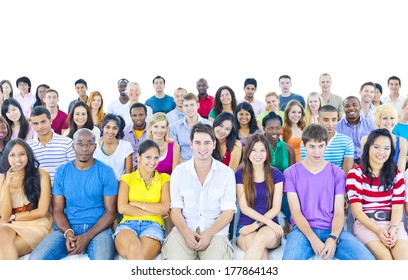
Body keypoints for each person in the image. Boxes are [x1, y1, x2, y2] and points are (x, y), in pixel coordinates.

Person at [282, 123, 375, 260]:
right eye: (312, 147)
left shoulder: (337, 173)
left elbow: (338, 212)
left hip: (332, 229)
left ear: (327, 145)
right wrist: (313, 239)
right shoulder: (291, 173)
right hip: (302, 231)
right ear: (303, 145)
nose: (317, 152)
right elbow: (295, 212)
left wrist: (333, 238)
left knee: (367, 259)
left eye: (321, 146)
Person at [29, 128, 118, 260]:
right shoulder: (62, 172)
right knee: (35, 259)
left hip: (98, 230)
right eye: (80, 143)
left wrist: (87, 237)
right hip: (68, 228)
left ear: (95, 147)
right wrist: (68, 233)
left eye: (89, 144)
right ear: (73, 146)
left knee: (102, 264)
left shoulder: (106, 172)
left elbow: (111, 212)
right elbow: (57, 210)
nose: (84, 148)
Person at [161, 123, 236, 260]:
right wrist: (185, 232)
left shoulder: (227, 173)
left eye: (207, 143)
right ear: (191, 145)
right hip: (183, 231)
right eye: (197, 143)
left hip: (215, 233)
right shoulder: (179, 172)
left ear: (214, 144)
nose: (202, 148)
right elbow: (176, 210)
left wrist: (209, 233)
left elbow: (228, 212)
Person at [346, 128, 408, 260]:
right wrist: (379, 231)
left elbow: (397, 208)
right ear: (368, 147)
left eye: (386, 148)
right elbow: (357, 211)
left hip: (393, 224)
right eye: (376, 147)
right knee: (386, 260)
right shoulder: (355, 174)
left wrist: (393, 229)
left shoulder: (397, 175)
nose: (381, 152)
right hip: (367, 225)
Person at [114, 140, 170, 260]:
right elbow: (122, 208)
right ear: (139, 157)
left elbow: (164, 208)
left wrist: (136, 204)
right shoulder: (127, 178)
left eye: (156, 158)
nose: (152, 162)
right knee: (134, 249)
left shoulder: (164, 179)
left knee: (140, 256)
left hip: (153, 226)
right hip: (128, 225)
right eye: (148, 157)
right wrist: (154, 211)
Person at [0, 139, 53, 259]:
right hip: (11, 225)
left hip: (37, 224)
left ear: (28, 155)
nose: (17, 159)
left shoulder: (41, 175)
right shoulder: (2, 180)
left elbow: (42, 211)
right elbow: (4, 216)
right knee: (2, 232)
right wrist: (7, 185)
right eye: (12, 155)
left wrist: (13, 217)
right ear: (6, 157)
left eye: (22, 154)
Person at [235, 134, 284, 260]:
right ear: (248, 152)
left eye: (262, 150)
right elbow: (244, 208)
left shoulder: (276, 175)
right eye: (254, 150)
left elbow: (276, 208)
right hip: (246, 226)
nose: (258, 154)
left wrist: (256, 225)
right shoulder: (240, 174)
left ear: (267, 153)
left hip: (270, 228)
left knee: (260, 239)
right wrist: (254, 226)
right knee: (261, 254)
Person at [262, 111, 295, 236]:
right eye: (270, 128)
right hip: (264, 188)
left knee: (290, 200)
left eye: (277, 128)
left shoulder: (288, 149)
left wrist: (282, 190)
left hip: (284, 190)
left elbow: (292, 175)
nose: (274, 132)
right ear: (264, 129)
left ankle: (290, 223)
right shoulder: (259, 148)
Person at [300, 105, 354, 175]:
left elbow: (346, 173)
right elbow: (307, 169)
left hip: (337, 182)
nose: (330, 124)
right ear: (318, 120)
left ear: (337, 119)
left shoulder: (347, 142)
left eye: (334, 120)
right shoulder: (307, 142)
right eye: (326, 120)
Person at [27, 107, 76, 184]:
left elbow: (74, 170)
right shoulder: (28, 146)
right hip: (38, 190)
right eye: (36, 123)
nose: (40, 126)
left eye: (43, 122)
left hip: (63, 189)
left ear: (51, 121)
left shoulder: (67, 143)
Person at [360, 104, 407, 172]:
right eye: (385, 118)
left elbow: (400, 172)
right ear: (378, 120)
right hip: (370, 179)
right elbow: (364, 166)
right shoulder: (365, 140)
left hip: (394, 180)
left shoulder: (402, 142)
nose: (389, 122)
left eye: (392, 118)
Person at [170, 92, 212, 162]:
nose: (189, 108)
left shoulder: (208, 125)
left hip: (203, 162)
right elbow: (174, 152)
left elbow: (210, 148)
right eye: (186, 106)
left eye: (192, 105)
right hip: (182, 164)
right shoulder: (175, 127)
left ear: (198, 105)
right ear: (182, 107)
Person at [336, 96, 376, 165]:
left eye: (354, 105)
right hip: (345, 162)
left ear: (360, 107)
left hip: (368, 161)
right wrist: (351, 163)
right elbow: (337, 150)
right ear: (343, 109)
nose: (351, 108)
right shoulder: (337, 127)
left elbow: (376, 145)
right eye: (347, 106)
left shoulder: (370, 124)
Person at [94, 114, 133, 180]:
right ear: (102, 127)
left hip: (120, 186)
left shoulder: (126, 146)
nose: (110, 131)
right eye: (107, 127)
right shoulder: (94, 147)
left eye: (114, 128)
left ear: (118, 130)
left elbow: (128, 174)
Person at [122, 103, 149, 169]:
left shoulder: (153, 131)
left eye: (141, 115)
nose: (138, 118)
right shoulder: (125, 132)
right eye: (134, 115)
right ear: (130, 116)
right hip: (129, 168)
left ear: (146, 115)